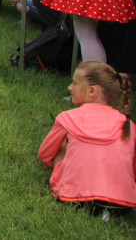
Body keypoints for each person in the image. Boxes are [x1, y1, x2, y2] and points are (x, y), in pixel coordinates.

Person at [38, 61, 135, 214]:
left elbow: (45, 154)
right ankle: (107, 209)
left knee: (63, 144)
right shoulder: (128, 125)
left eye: (75, 83)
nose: (70, 87)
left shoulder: (67, 118)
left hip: (75, 198)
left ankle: (71, 182)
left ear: (92, 91)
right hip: (122, 203)